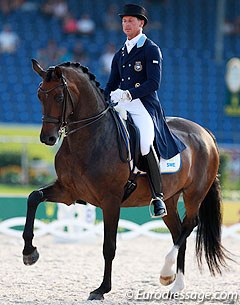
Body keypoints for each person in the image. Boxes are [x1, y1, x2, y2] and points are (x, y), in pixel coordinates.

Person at [104, 4, 186, 218]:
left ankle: (158, 196)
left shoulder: (151, 49)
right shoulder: (120, 53)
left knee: (144, 142)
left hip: (143, 105)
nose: (126, 24)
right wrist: (104, 98)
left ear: (141, 23)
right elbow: (111, 83)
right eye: (123, 21)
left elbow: (154, 83)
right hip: (121, 103)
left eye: (130, 20)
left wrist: (129, 93)